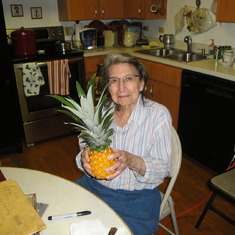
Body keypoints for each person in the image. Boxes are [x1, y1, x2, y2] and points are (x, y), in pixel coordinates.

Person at [75, 52, 172, 235]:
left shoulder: (158, 115)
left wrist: (132, 161)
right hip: (93, 188)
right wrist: (85, 157)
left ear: (141, 83)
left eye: (128, 78)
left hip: (135, 200)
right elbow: (82, 152)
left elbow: (163, 169)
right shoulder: (99, 113)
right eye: (113, 80)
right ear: (107, 87)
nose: (121, 88)